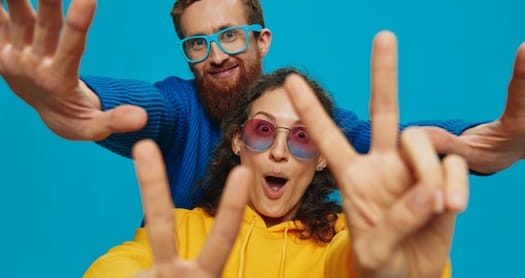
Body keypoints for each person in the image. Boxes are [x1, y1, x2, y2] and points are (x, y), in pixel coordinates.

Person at [0, 0, 523, 210]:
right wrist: (76, 97)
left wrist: (485, 143)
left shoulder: (308, 119)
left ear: (262, 38)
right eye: (197, 44)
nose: (216, 55)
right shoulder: (181, 110)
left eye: (229, 35)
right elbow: (146, 106)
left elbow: (397, 142)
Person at [84, 38, 469, 277]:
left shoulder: (347, 239)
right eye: (263, 131)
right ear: (237, 141)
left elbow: (361, 265)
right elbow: (124, 264)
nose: (280, 152)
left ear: (320, 158)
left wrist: (390, 270)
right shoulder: (182, 231)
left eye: (302, 137)